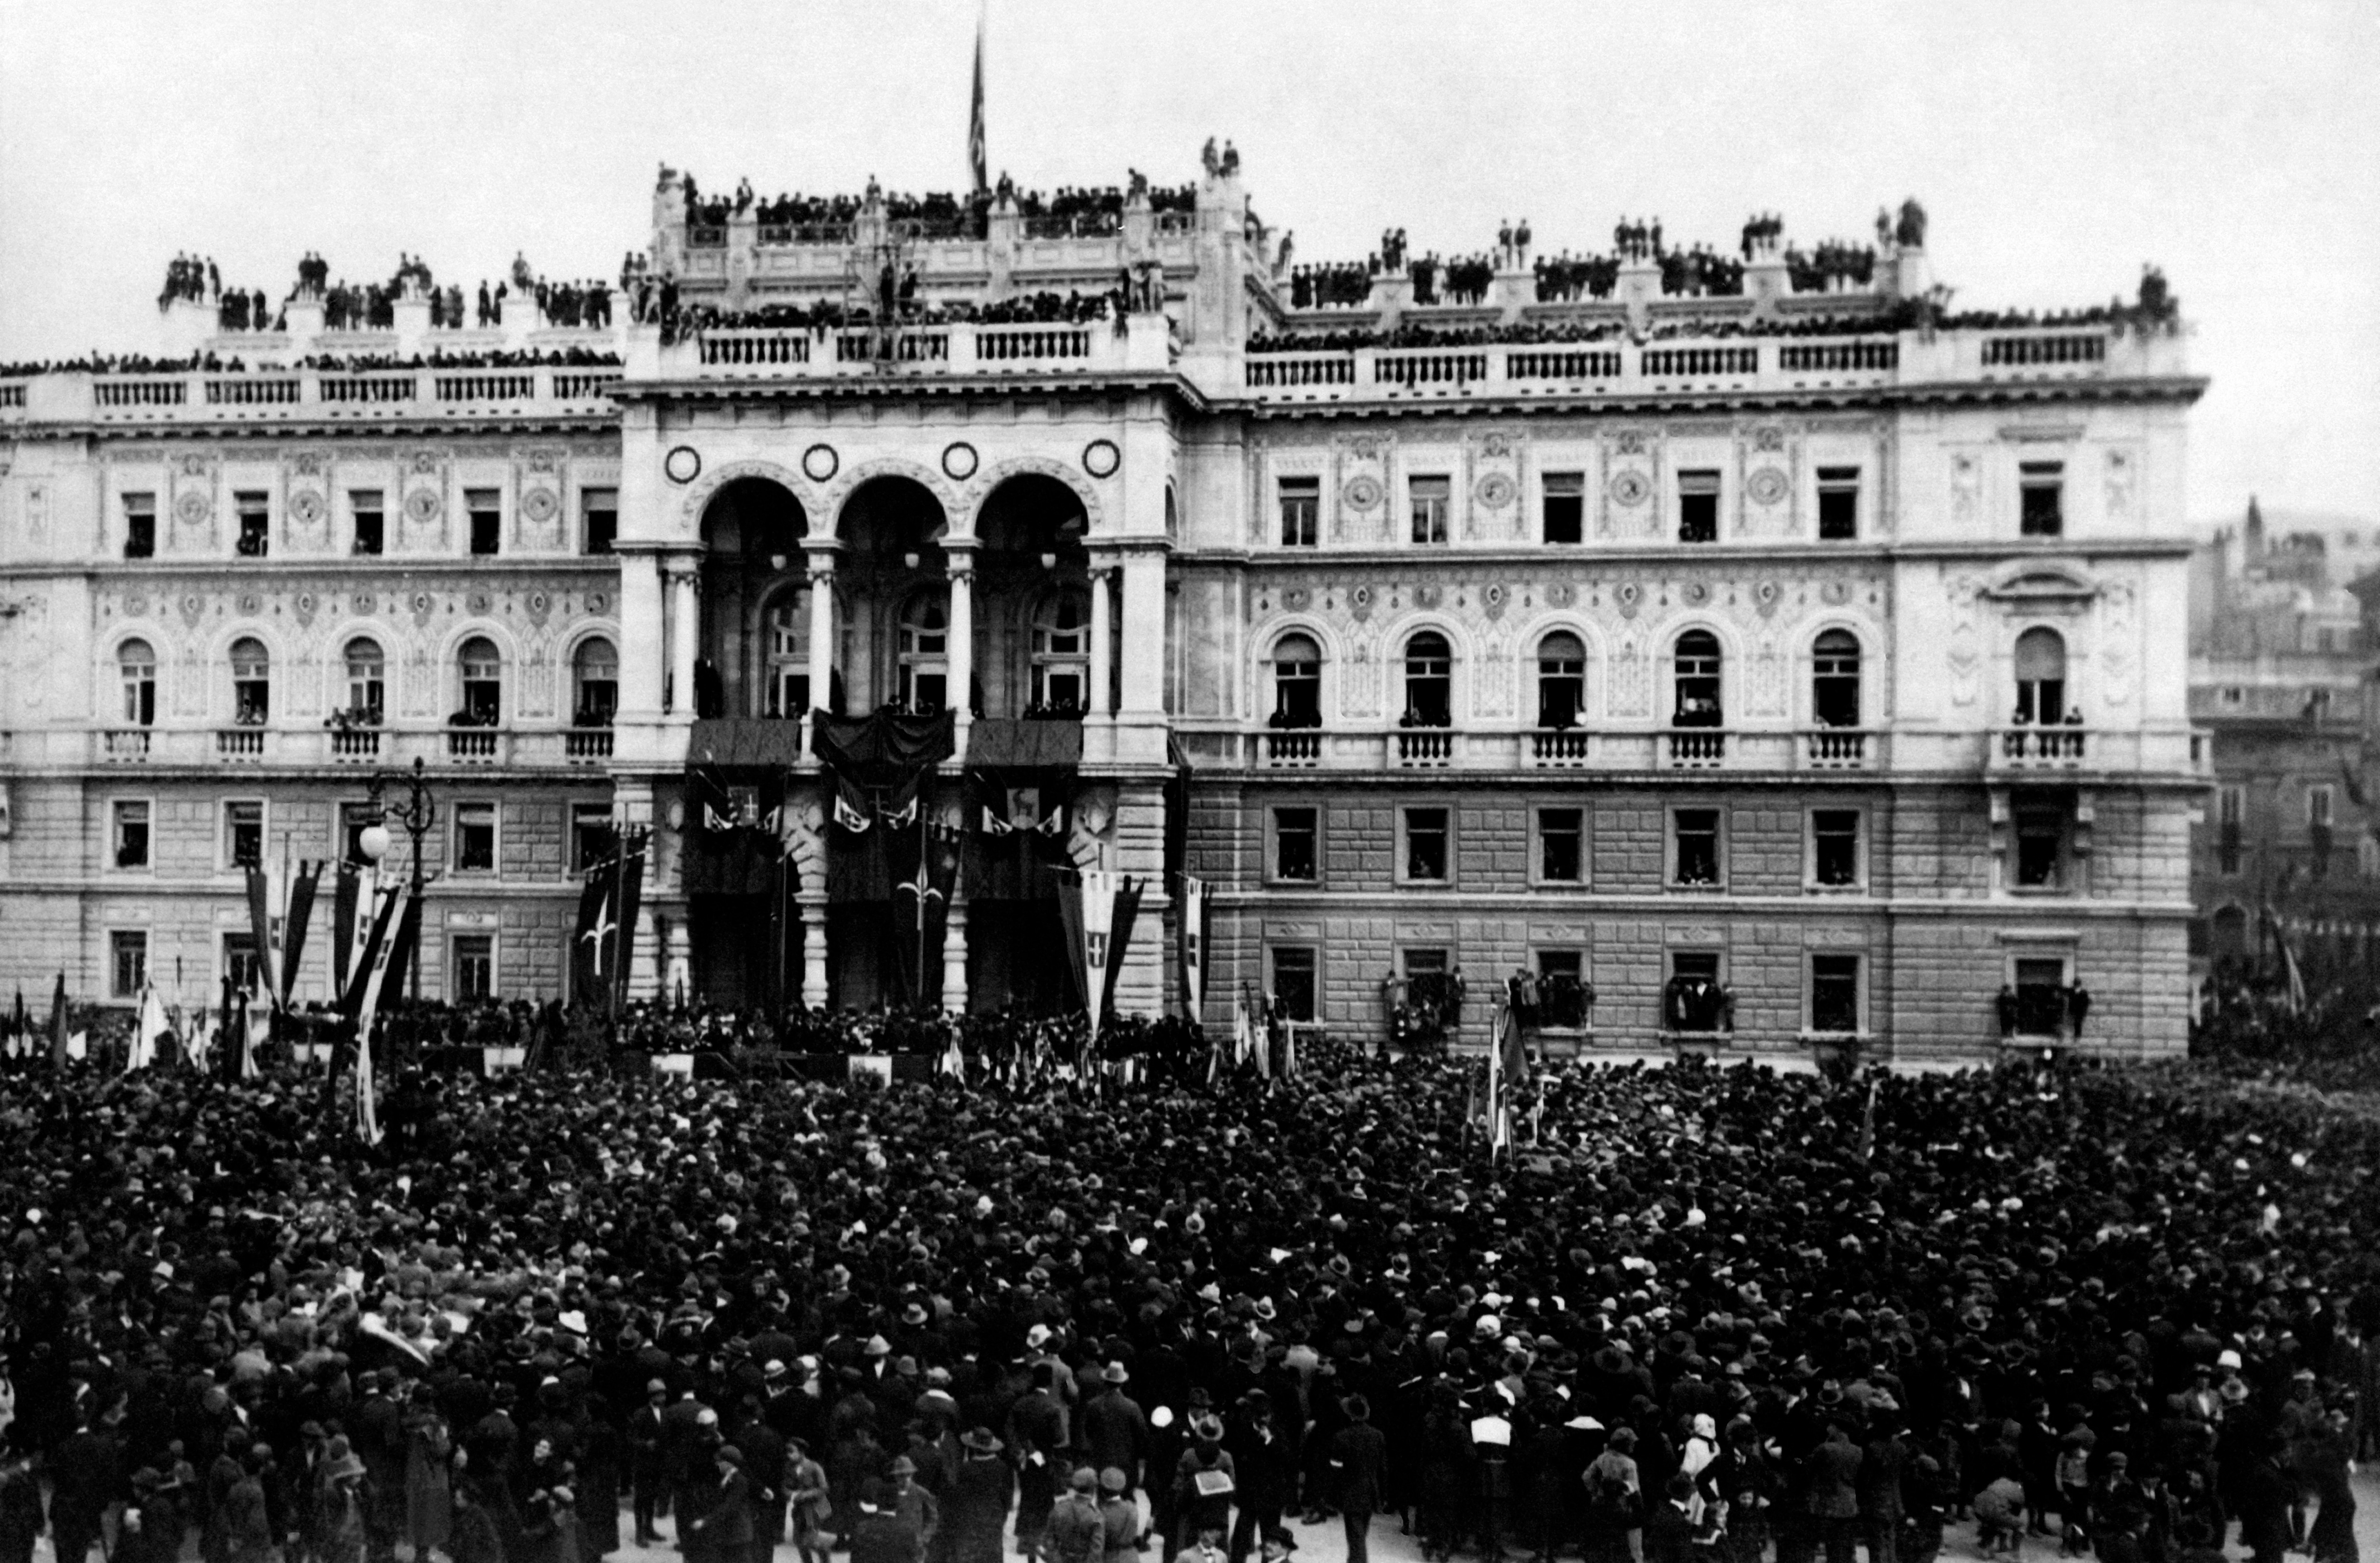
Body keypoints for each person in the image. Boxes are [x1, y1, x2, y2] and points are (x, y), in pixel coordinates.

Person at [1327, 1395, 1387, 1563]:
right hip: (1371, 1489)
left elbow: (1335, 1468)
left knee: (1355, 1535)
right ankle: (1353, 1559)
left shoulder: (1341, 1437)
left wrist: (1332, 1493)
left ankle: (1356, 1560)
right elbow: (1383, 1468)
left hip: (1350, 1490)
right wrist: (1383, 1493)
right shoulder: (1378, 1436)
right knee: (1361, 1531)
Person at [1047, 1470, 1107, 1563]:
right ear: (1093, 1489)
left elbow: (1049, 1538)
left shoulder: (1059, 1508)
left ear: (1075, 1488)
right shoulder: (1097, 1517)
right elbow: (1097, 1550)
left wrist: (1055, 1559)